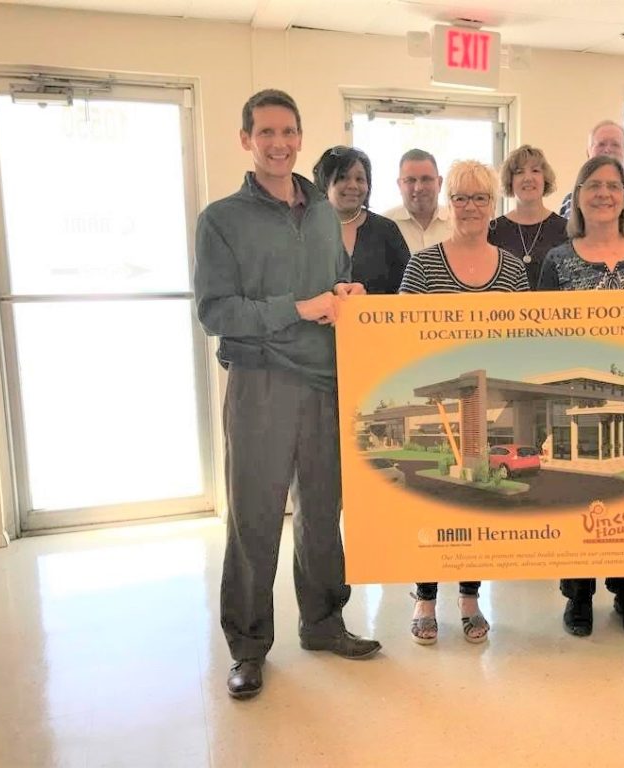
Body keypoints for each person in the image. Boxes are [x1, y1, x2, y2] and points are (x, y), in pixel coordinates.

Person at [194, 89, 381, 701]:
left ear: (301, 137)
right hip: (261, 383)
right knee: (254, 520)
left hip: (324, 380)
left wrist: (344, 295)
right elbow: (217, 311)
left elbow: (330, 282)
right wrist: (299, 308)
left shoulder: (323, 212)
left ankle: (324, 623)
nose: (279, 144)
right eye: (266, 132)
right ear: (246, 138)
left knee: (323, 515)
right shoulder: (221, 219)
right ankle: (248, 648)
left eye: (289, 132)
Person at [399, 160, 529, 644]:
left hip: (490, 406)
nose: (469, 207)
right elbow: (400, 337)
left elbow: (522, 340)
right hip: (441, 405)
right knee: (436, 503)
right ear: (446, 204)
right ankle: (426, 597)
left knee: (477, 500)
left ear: (493, 205)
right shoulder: (423, 265)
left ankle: (470, 596)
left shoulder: (514, 269)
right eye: (460, 197)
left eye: (479, 198)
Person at [538, 155, 624, 638]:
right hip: (574, 397)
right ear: (578, 195)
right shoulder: (558, 258)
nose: (604, 194)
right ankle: (580, 594)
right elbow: (541, 332)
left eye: (614, 186)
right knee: (579, 491)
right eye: (593, 185)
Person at [312, 145, 411, 294]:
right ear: (325, 184)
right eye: (343, 177)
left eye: (360, 179)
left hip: (379, 316)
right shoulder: (306, 229)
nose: (353, 185)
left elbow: (407, 289)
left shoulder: (386, 230)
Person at [558, 119, 624, 244]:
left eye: (615, 145)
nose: (608, 150)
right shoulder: (570, 200)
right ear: (588, 152)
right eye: (601, 144)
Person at [487, 144, 568, 289]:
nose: (528, 178)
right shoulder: (493, 231)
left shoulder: (566, 229)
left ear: (545, 179)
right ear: (510, 181)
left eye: (535, 171)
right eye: (519, 172)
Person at [384, 148, 453, 253]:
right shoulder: (383, 226)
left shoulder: (458, 223)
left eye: (426, 179)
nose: (418, 188)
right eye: (410, 180)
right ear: (399, 185)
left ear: (439, 183)